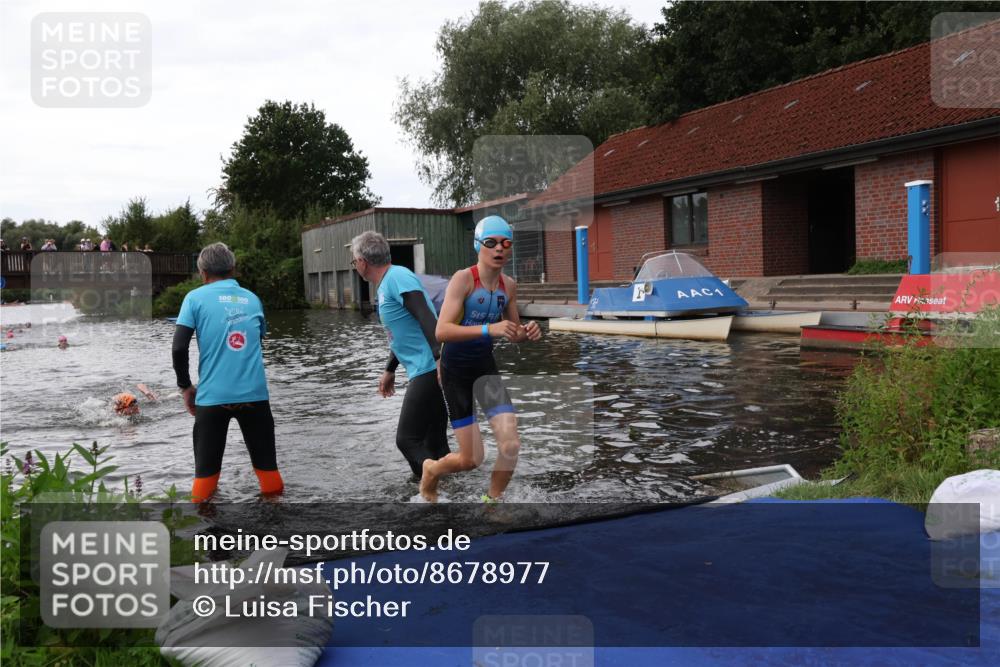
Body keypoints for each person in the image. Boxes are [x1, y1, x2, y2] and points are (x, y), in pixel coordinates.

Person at [420, 215, 542, 503]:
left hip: (485, 369)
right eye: (491, 243)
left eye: (505, 243)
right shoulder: (464, 279)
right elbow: (441, 331)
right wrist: (490, 328)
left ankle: (491, 502)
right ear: (478, 245)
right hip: (456, 374)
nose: (499, 249)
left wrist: (527, 331)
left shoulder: (508, 286)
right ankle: (431, 470)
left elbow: (513, 333)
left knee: (510, 445)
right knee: (471, 459)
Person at [172, 242, 283, 502]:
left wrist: (186, 387)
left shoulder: (194, 298)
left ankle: (204, 534)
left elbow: (178, 347)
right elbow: (258, 341)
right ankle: (276, 529)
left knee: (205, 478)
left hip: (212, 397)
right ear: (233, 269)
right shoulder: (252, 298)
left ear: (202, 272)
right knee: (268, 472)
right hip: (254, 396)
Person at [350, 230, 450, 482]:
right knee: (435, 443)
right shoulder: (389, 282)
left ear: (362, 261)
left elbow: (426, 318)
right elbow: (404, 331)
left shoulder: (397, 277)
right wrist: (390, 368)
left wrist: (439, 359)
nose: (355, 265)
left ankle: (432, 489)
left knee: (407, 440)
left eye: (354, 261)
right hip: (428, 366)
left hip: (428, 368)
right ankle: (451, 497)